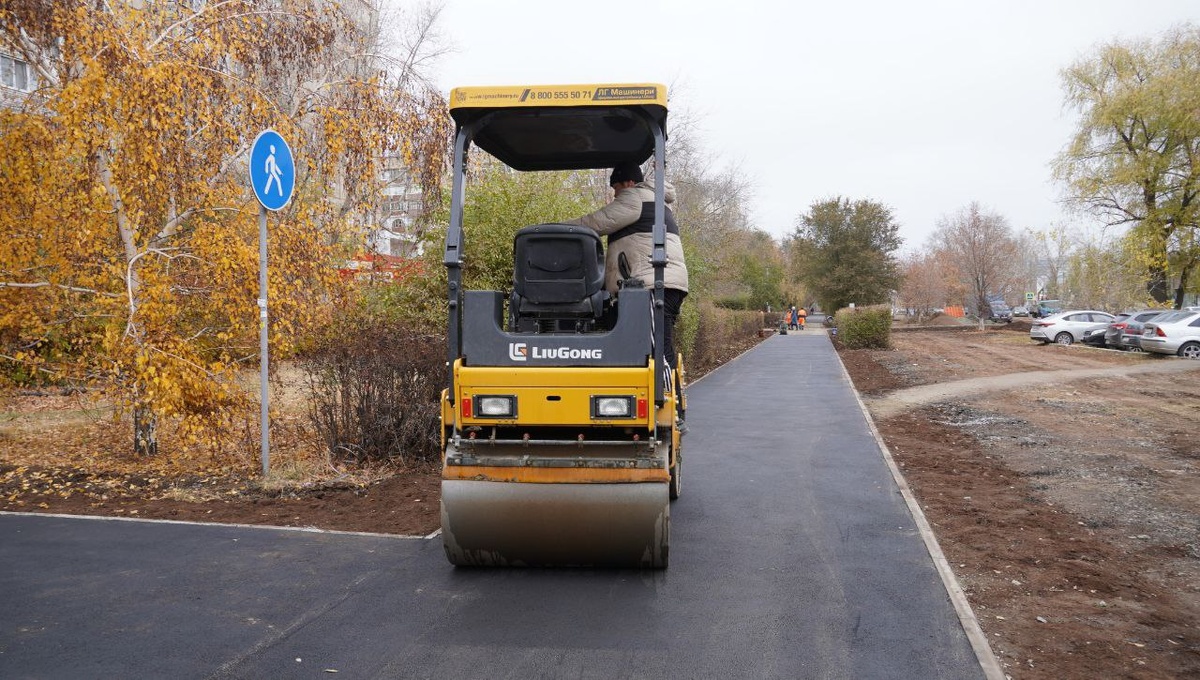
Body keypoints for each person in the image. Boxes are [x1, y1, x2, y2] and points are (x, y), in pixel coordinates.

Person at [566, 162, 689, 371]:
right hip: (666, 283)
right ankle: (669, 397)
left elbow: (598, 222)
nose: (615, 195)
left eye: (616, 189)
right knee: (653, 347)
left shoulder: (634, 197)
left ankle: (666, 400)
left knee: (657, 350)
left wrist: (557, 227)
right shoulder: (657, 200)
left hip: (652, 284)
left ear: (629, 183)